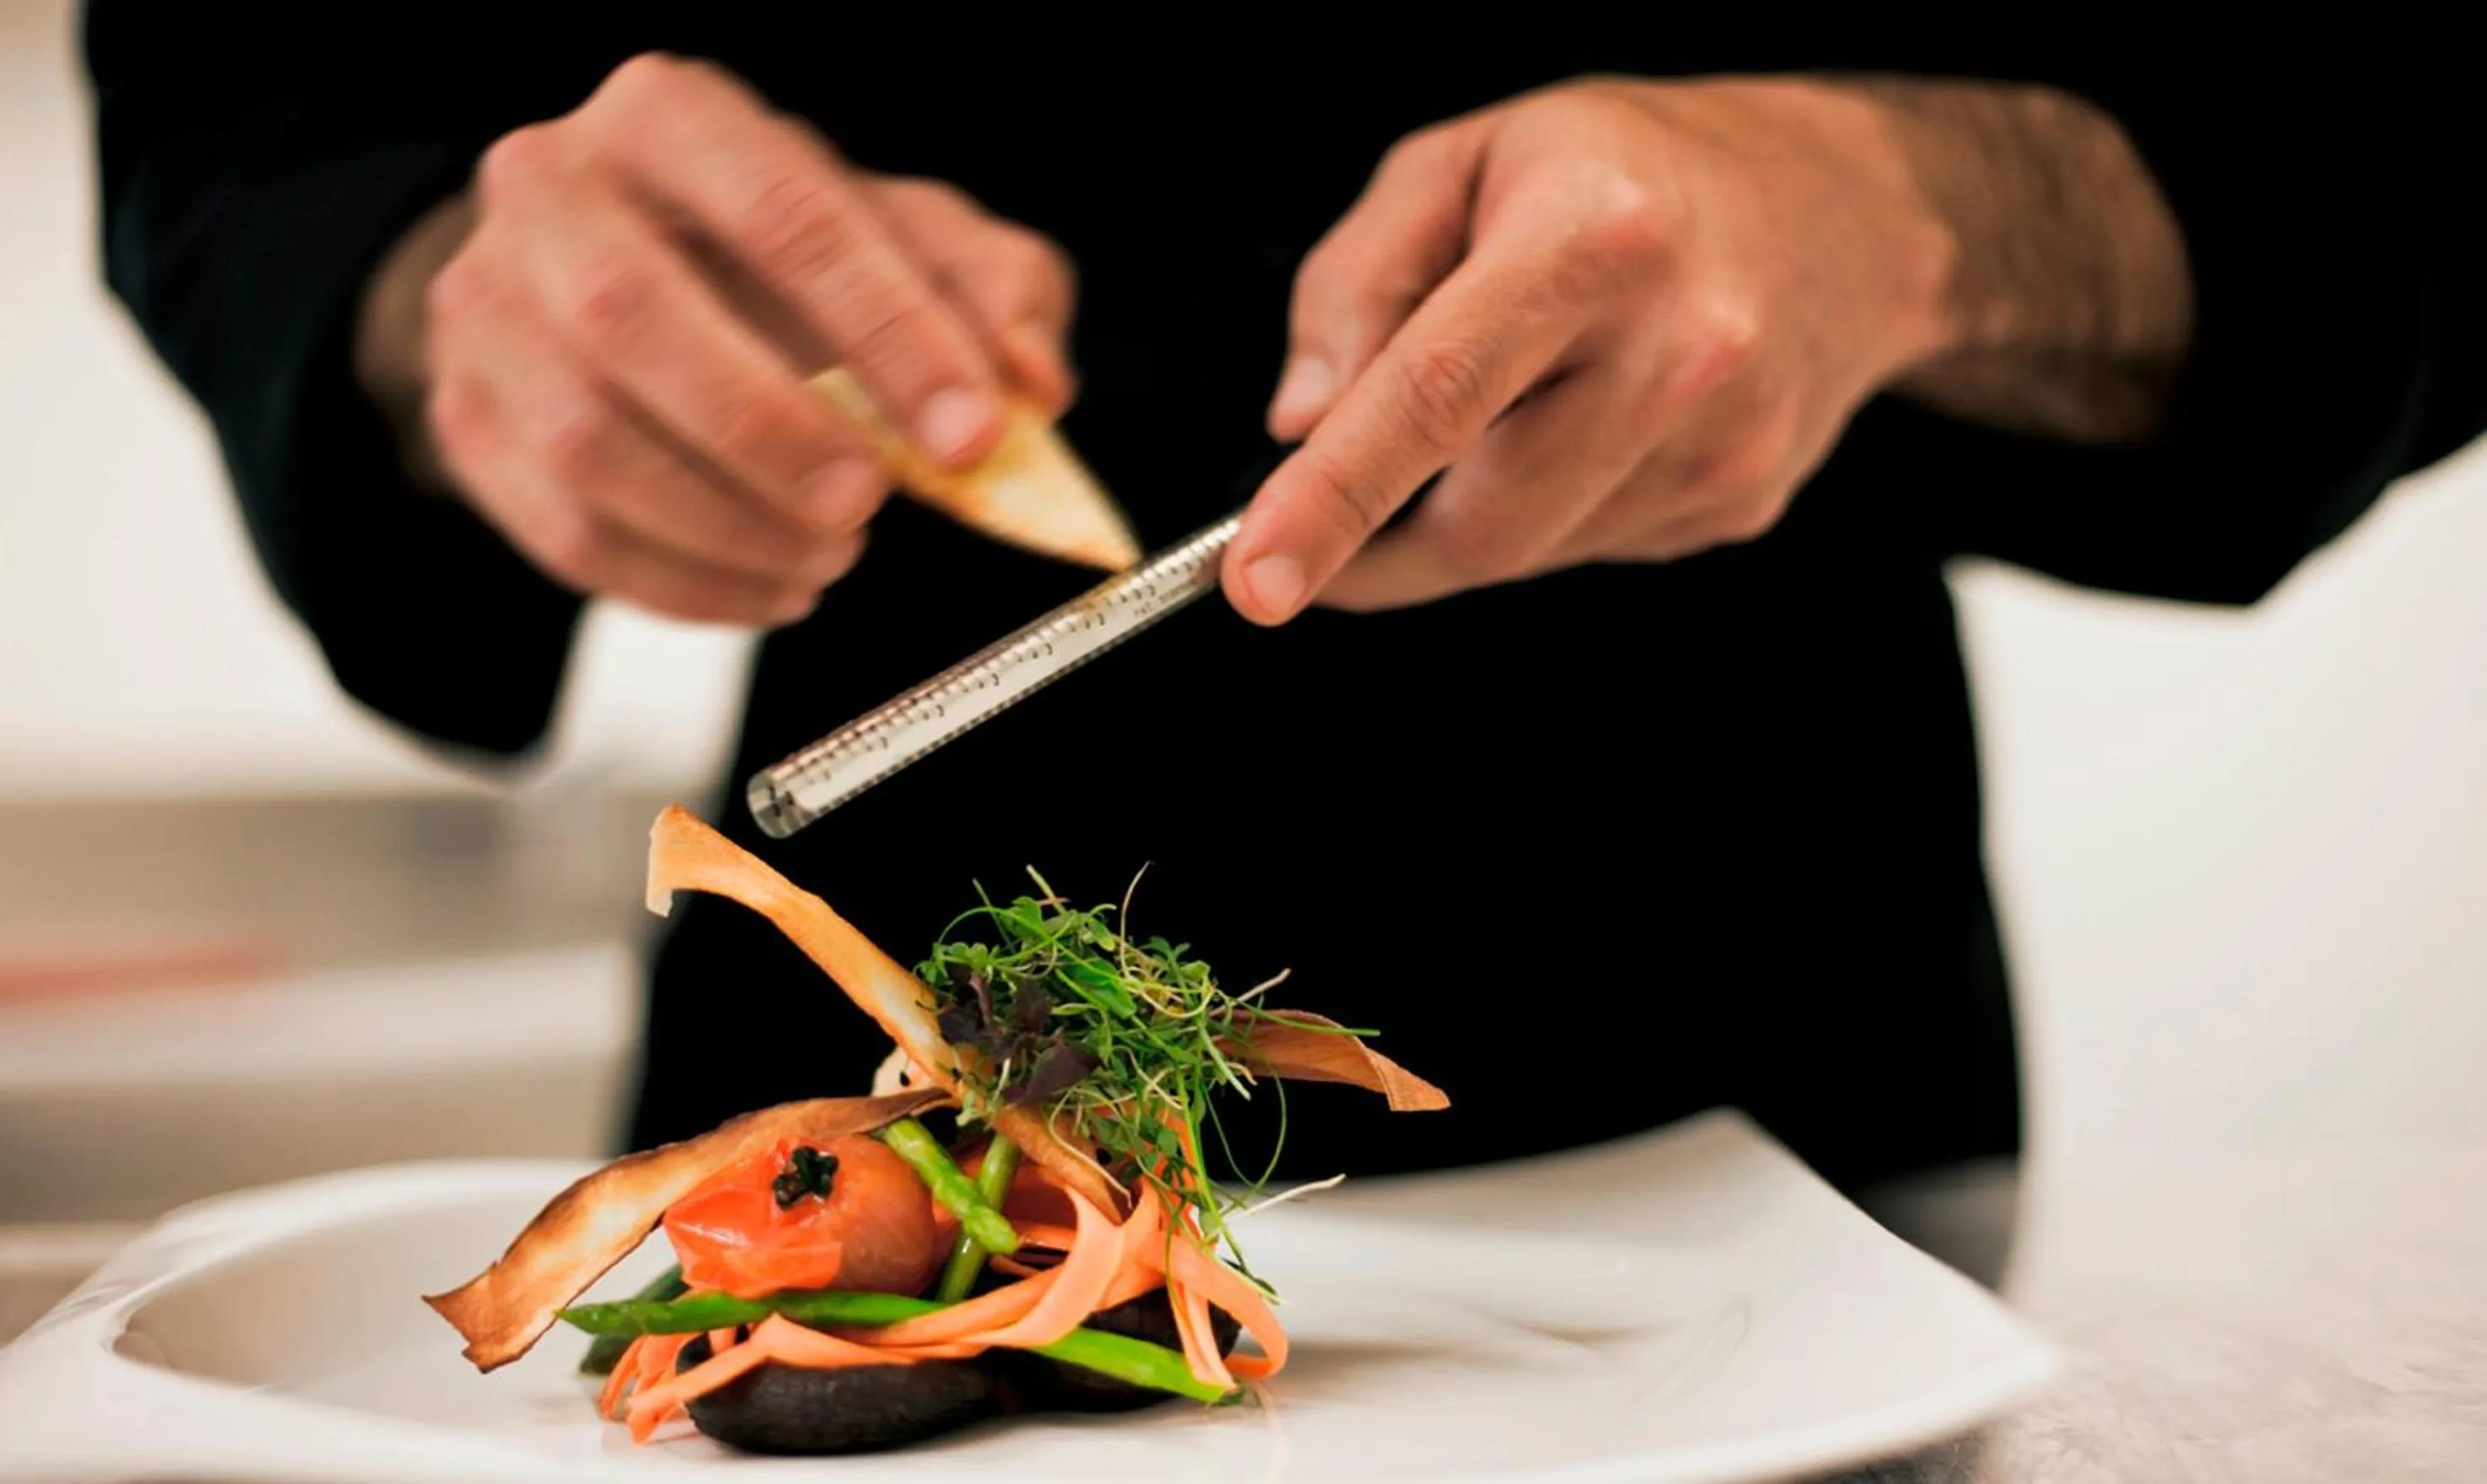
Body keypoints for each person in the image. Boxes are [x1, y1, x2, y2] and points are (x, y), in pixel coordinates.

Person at [79, 11, 2482, 1263]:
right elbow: (247, 98)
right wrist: (426, 285)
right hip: (863, 1091)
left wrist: (1925, 204)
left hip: (1766, 1036)